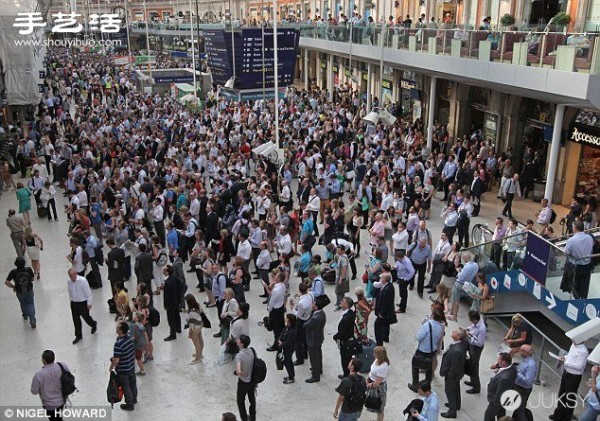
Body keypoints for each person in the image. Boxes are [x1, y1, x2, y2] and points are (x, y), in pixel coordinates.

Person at [549, 339, 590, 421]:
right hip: (566, 372)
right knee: (562, 394)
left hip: (574, 376)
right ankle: (558, 414)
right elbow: (570, 356)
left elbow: (580, 366)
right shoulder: (573, 345)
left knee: (570, 397)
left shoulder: (584, 351)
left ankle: (566, 417)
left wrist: (566, 361)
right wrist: (564, 357)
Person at [409, 307, 444, 392]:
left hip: (422, 350)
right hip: (432, 352)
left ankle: (415, 386)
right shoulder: (440, 327)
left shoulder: (427, 325)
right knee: (429, 370)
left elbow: (419, 337)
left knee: (415, 367)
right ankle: (426, 387)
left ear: (432, 315)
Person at [31, 350, 69, 420]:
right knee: (58, 416)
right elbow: (69, 376)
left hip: (49, 405)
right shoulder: (62, 365)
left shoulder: (39, 375)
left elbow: (34, 391)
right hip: (62, 400)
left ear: (44, 360)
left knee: (53, 419)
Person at [439, 328, 468, 419]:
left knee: (450, 391)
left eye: (454, 332)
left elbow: (454, 367)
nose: (452, 332)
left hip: (452, 375)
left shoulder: (456, 351)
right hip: (458, 374)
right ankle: (456, 404)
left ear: (459, 337)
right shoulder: (461, 345)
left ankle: (452, 411)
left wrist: (449, 375)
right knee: (456, 388)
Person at [109, 321, 137, 411]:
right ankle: (134, 399)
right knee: (133, 384)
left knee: (126, 387)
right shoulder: (129, 338)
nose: (116, 328)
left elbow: (116, 360)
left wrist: (111, 367)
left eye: (118, 327)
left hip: (123, 369)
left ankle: (130, 404)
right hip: (131, 366)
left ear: (121, 331)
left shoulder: (118, 344)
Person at [562, 220, 594, 299]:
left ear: (575, 228)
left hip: (576, 266)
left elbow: (566, 253)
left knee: (574, 285)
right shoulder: (590, 237)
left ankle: (576, 300)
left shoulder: (572, 240)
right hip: (587, 266)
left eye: (573, 227)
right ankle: (583, 299)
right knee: (584, 285)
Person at [484, 353, 517, 421]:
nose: (497, 361)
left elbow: (499, 394)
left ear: (504, 362)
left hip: (496, 401)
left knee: (488, 416)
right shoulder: (512, 368)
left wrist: (494, 405)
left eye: (499, 359)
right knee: (501, 415)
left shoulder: (504, 379)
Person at [67, 268, 97, 344]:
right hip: (74, 303)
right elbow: (70, 292)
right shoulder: (69, 282)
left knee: (86, 317)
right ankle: (78, 335)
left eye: (73, 275)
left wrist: (89, 303)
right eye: (70, 275)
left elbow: (88, 292)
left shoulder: (82, 281)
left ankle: (93, 324)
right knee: (76, 320)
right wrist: (71, 301)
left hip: (82, 302)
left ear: (76, 274)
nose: (72, 277)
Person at [5, 256, 37, 328]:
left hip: (19, 291)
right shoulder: (28, 269)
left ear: (15, 263)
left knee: (23, 303)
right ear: (24, 263)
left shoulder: (13, 272)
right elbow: (32, 279)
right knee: (30, 303)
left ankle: (25, 315)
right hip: (29, 290)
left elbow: (7, 282)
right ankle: (32, 320)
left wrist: (13, 287)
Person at [447, 251, 478, 322]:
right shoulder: (476, 265)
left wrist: (459, 271)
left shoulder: (467, 266)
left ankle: (454, 316)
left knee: (456, 299)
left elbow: (461, 277)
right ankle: (451, 313)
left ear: (465, 258)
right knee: (455, 298)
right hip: (467, 283)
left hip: (460, 283)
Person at [304, 297, 327, 383]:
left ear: (316, 306)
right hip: (319, 337)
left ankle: (315, 375)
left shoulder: (315, 318)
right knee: (318, 354)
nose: (312, 304)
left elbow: (305, 325)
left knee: (314, 357)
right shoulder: (322, 313)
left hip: (313, 339)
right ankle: (319, 368)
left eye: (313, 303)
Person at [333, 296, 356, 378]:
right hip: (348, 339)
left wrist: (335, 337)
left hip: (346, 342)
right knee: (347, 359)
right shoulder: (349, 313)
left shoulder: (346, 317)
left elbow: (342, 332)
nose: (340, 302)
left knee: (345, 360)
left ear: (346, 305)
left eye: (342, 302)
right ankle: (347, 374)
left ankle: (347, 375)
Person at [465, 310, 487, 395]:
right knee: (471, 364)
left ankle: (476, 387)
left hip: (476, 348)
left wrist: (470, 338)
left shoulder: (482, 329)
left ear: (475, 319)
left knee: (474, 366)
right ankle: (472, 381)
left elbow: (480, 343)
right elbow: (471, 327)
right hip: (472, 345)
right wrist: (468, 330)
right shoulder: (476, 323)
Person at [290, 282, 312, 366]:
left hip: (301, 321)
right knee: (305, 338)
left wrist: (292, 309)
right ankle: (305, 353)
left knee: (298, 341)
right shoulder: (310, 296)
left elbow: (298, 315)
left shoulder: (301, 303)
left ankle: (300, 358)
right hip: (308, 318)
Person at [235, 334, 256, 421]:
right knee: (252, 401)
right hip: (252, 381)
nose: (237, 340)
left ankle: (244, 418)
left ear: (242, 344)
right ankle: (253, 417)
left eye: (239, 340)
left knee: (240, 401)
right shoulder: (251, 351)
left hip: (243, 382)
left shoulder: (239, 356)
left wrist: (242, 373)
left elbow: (239, 371)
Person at [513, 345, 537, 420]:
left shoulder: (531, 365)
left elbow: (528, 381)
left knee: (520, 409)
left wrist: (517, 372)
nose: (519, 351)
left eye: (522, 350)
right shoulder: (524, 360)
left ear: (527, 353)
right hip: (518, 387)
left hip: (523, 390)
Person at [366, 346, 390, 421]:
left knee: (379, 407)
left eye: (375, 353)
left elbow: (377, 383)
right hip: (371, 382)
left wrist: (368, 384)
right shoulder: (377, 360)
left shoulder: (383, 367)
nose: (373, 354)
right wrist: (368, 378)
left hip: (378, 388)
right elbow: (372, 370)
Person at [373, 272, 396, 346]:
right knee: (386, 324)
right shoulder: (388, 285)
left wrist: (381, 313)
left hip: (384, 313)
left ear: (385, 279)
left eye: (381, 278)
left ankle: (380, 342)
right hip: (386, 312)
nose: (380, 279)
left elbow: (386, 302)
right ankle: (385, 337)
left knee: (378, 325)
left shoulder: (387, 289)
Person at [265, 272, 286, 351]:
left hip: (275, 310)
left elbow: (272, 301)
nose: (275, 276)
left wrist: (269, 309)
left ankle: (276, 345)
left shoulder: (276, 290)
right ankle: (282, 340)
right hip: (280, 308)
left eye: (276, 276)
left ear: (279, 278)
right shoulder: (282, 286)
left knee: (276, 328)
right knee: (281, 326)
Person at [163, 265, 182, 341]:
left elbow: (166, 296)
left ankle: (172, 334)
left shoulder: (167, 282)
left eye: (164, 270)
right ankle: (178, 329)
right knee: (177, 315)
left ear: (167, 272)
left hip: (170, 303)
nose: (163, 271)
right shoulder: (175, 278)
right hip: (176, 301)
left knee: (171, 319)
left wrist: (166, 305)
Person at [185, 293, 205, 364]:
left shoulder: (192, 312)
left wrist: (190, 332)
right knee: (200, 340)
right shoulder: (198, 305)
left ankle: (197, 358)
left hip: (195, 328)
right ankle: (200, 354)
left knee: (196, 343)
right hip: (200, 325)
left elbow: (192, 323)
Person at [278, 313, 297, 384]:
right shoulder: (287, 327)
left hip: (289, 349)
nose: (285, 319)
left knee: (288, 362)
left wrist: (281, 345)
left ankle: (291, 377)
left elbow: (288, 342)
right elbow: (283, 332)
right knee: (288, 362)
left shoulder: (293, 331)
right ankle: (291, 375)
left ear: (290, 321)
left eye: (287, 318)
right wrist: (279, 339)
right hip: (285, 347)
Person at [394, 249, 415, 314]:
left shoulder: (407, 262)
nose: (396, 259)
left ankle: (402, 308)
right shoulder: (399, 261)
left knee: (403, 294)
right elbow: (397, 264)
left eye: (397, 258)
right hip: (400, 277)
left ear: (401, 257)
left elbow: (412, 271)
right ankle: (401, 303)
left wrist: (406, 279)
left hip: (404, 279)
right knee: (401, 293)